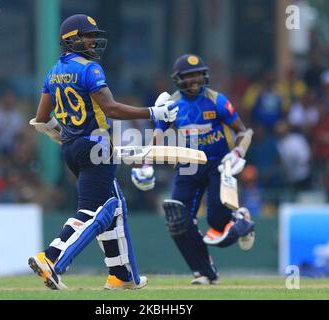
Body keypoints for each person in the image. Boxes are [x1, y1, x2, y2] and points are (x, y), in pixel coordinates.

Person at [28, 14, 178, 290]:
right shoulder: (90, 69)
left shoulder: (53, 71)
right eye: (88, 36)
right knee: (96, 210)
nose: (93, 42)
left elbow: (41, 118)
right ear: (72, 40)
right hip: (96, 146)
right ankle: (51, 258)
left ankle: (121, 274)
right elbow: (111, 109)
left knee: (116, 206)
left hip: (72, 150)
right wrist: (152, 112)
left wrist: (64, 136)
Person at [131, 54, 255, 284]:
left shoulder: (216, 100)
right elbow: (156, 137)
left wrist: (238, 153)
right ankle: (205, 273)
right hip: (188, 165)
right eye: (188, 77)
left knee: (218, 224)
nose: (194, 81)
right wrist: (145, 164)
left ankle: (242, 220)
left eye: (197, 75)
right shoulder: (172, 105)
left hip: (219, 164)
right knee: (177, 220)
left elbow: (243, 131)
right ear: (178, 80)